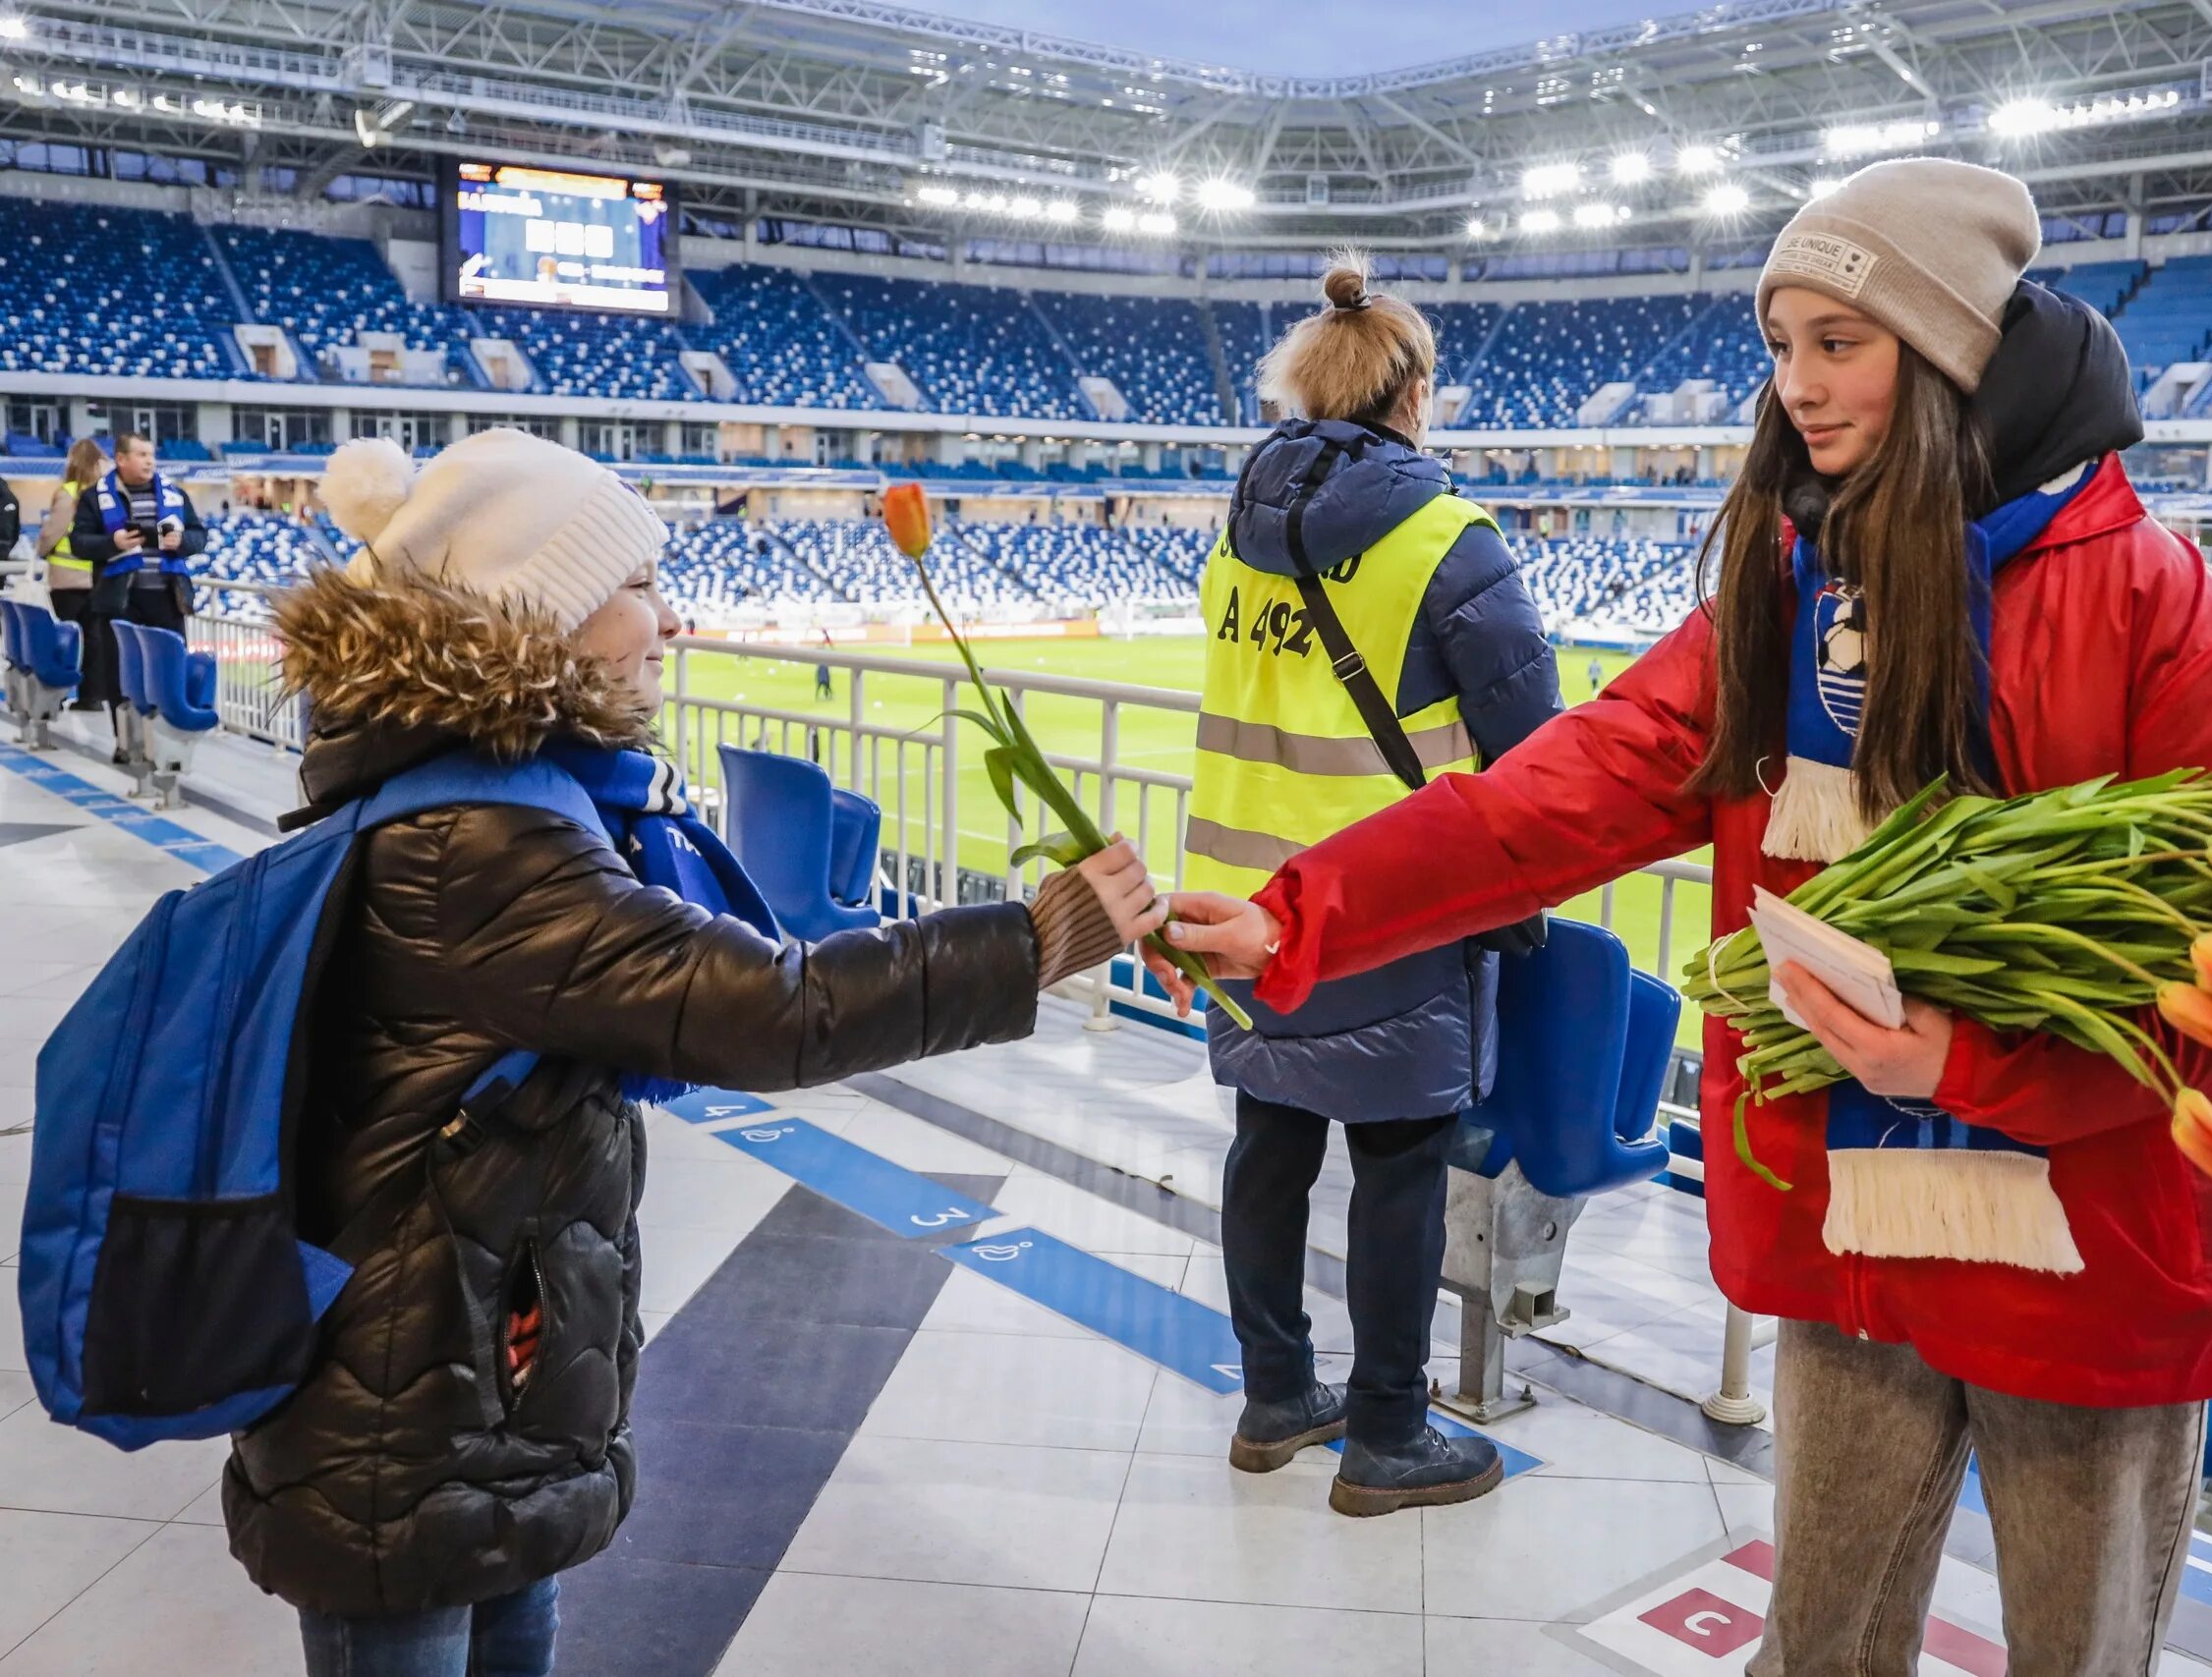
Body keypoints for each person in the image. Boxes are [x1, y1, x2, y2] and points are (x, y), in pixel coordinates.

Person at [1154, 159, 2212, 1671]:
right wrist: (1294, 912)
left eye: (1841, 342)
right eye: (1781, 346)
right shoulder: (1789, 590)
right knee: (1816, 1645)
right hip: (1859, 1233)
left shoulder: (2181, 631)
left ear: (1954, 345)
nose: (1799, 388)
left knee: (2076, 1653)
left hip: (2091, 1268)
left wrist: (1964, 1065)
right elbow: (1554, 793)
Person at [233, 430, 1167, 1677]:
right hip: (409, 1409)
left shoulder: (490, 796)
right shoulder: (484, 842)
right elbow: (769, 1010)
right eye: (632, 589)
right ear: (537, 615)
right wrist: (1036, 941)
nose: (666, 621)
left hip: (470, 1385)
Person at [1184, 254, 1560, 1516]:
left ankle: (1274, 1394)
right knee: (1399, 1168)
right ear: (1414, 394)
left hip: (1238, 898)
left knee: (1268, 1145)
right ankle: (1389, 1433)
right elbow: (1537, 744)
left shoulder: (1237, 526)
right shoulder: (1447, 535)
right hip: (1386, 904)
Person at [71, 431, 207, 735]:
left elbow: (200, 536)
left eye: (151, 455)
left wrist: (182, 541)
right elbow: (78, 542)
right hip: (119, 600)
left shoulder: (174, 494)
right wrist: (112, 542)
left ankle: (167, 737)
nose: (150, 461)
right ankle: (126, 739)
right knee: (120, 672)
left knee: (169, 670)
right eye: (142, 455)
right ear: (121, 459)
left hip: (167, 598)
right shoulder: (94, 497)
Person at [33, 437, 109, 708]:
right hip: (98, 577)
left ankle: (58, 693)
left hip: (67, 579)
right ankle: (93, 696)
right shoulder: (105, 494)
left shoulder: (69, 493)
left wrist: (40, 551)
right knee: (95, 639)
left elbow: (51, 533)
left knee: (65, 639)